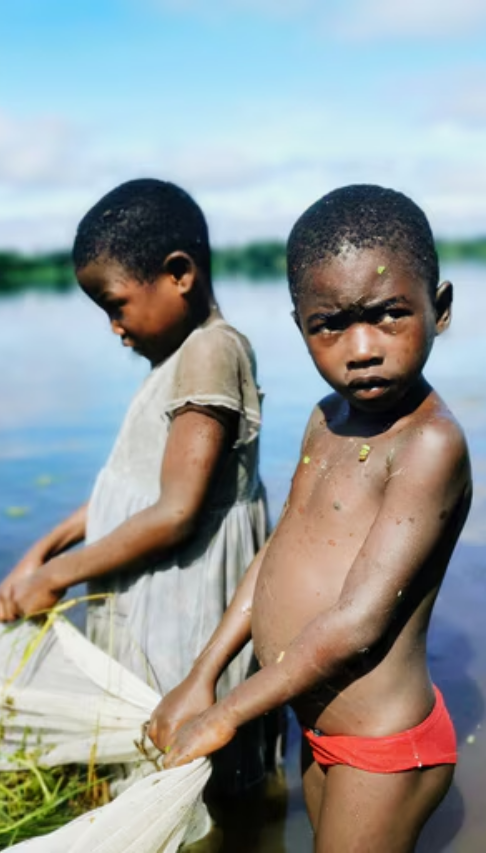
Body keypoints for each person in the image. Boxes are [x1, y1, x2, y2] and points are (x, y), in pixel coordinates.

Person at [149, 184, 473, 852]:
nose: (361, 348)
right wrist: (202, 674)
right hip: (319, 724)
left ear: (438, 309)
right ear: (300, 324)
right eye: (330, 324)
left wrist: (227, 711)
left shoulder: (428, 445)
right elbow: (274, 557)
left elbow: (357, 625)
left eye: (389, 315)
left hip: (382, 749)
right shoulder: (326, 419)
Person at [0, 178, 272, 794]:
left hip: (185, 606)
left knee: (190, 769)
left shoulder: (209, 353)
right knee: (154, 754)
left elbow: (174, 514)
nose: (114, 327)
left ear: (179, 273)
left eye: (116, 304)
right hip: (152, 597)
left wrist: (55, 579)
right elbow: (135, 490)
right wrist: (46, 550)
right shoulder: (176, 356)